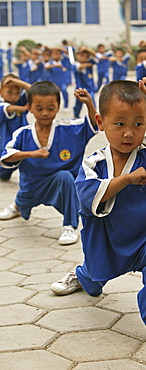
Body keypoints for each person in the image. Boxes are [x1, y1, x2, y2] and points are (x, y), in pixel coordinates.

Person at [50, 74, 146, 350]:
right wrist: (126, 180)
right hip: (108, 242)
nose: (129, 133)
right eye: (119, 124)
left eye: (138, 124)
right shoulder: (94, 164)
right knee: (94, 277)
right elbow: (88, 200)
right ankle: (83, 276)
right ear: (100, 123)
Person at [0, 81, 98, 245]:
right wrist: (31, 154)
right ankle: (18, 206)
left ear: (58, 107)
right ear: (29, 107)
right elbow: (6, 157)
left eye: (50, 108)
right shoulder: (22, 134)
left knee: (65, 177)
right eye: (39, 109)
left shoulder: (69, 128)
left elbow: (93, 125)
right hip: (31, 186)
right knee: (23, 199)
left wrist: (89, 103)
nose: (45, 113)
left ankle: (70, 225)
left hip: (60, 186)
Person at [0, 74, 30, 180]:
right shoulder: (2, 105)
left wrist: (15, 81)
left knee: (28, 162)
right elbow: (9, 108)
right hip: (6, 145)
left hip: (23, 142)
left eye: (17, 93)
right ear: (1, 92)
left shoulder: (20, 101)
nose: (13, 96)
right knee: (4, 172)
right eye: (9, 92)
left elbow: (31, 90)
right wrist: (23, 109)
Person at [72, 48, 96, 119]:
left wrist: (86, 49)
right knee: (78, 104)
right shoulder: (75, 65)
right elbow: (79, 67)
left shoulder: (91, 62)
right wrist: (87, 64)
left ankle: (94, 116)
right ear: (77, 56)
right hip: (80, 88)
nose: (84, 58)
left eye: (86, 57)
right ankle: (76, 115)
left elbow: (96, 55)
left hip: (90, 87)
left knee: (92, 101)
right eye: (82, 56)